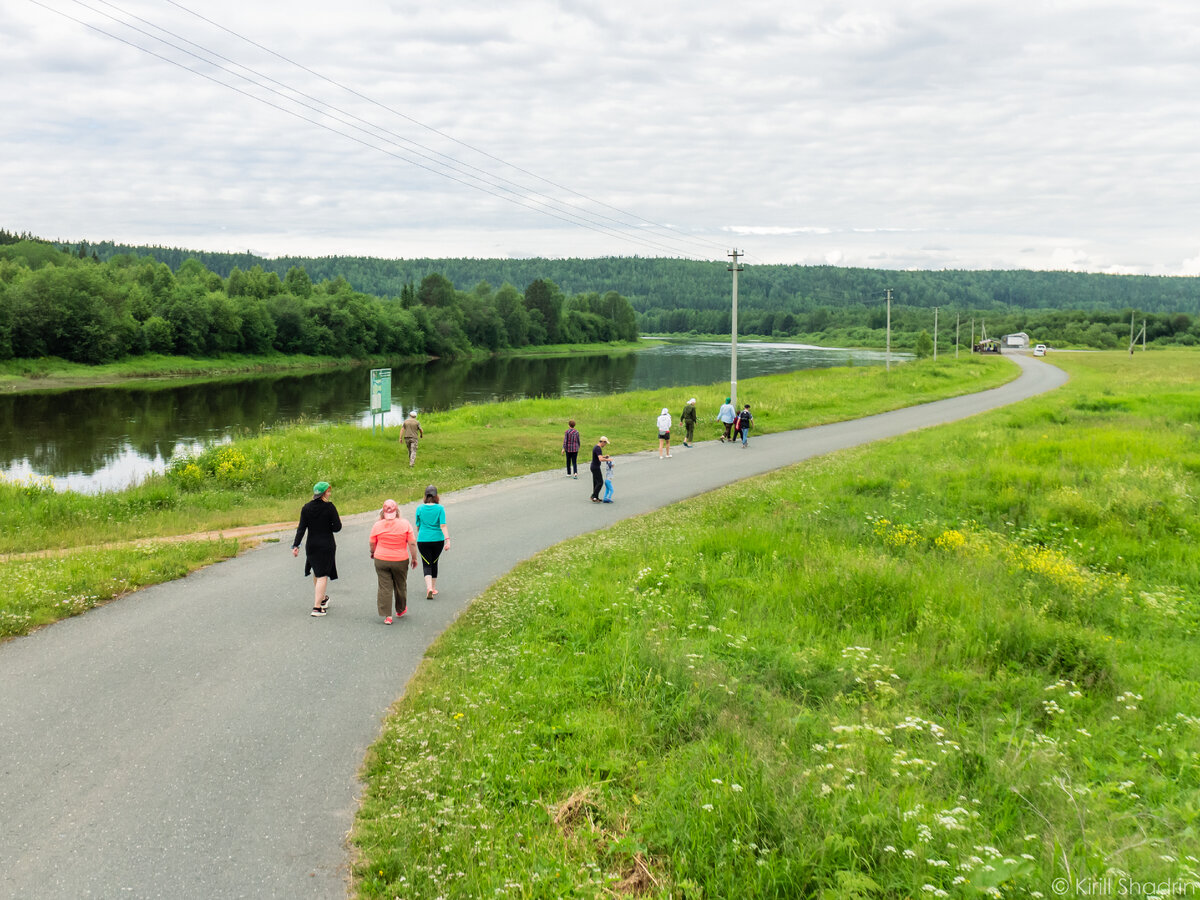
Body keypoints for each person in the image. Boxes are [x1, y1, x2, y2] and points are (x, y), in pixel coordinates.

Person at [292, 481, 341, 618]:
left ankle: (323, 598)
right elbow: (337, 527)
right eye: (328, 492)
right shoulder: (330, 508)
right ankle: (317, 607)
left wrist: (296, 545)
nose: (330, 494)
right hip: (326, 544)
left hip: (312, 545)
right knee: (322, 575)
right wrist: (327, 526)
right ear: (323, 494)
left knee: (317, 572)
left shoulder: (306, 508)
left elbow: (301, 528)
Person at [368, 499, 418, 624]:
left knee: (384, 586)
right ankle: (400, 609)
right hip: (400, 559)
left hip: (381, 559)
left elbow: (372, 542)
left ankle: (387, 616)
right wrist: (414, 558)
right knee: (400, 584)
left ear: (383, 512)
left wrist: (373, 552)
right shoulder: (405, 524)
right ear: (396, 511)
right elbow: (412, 543)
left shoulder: (377, 525)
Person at [414, 484, 450, 599]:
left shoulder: (419, 508)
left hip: (423, 540)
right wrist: (447, 540)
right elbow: (443, 525)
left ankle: (428, 587)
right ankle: (433, 589)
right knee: (434, 562)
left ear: (425, 496)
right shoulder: (440, 508)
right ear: (436, 496)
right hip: (437, 540)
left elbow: (418, 526)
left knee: (426, 563)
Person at [589, 436, 610, 502]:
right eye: (605, 443)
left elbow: (599, 456)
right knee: (600, 482)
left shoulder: (596, 447)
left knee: (596, 482)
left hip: (594, 466)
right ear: (603, 442)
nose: (605, 445)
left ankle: (596, 497)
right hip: (595, 467)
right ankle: (593, 496)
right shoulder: (598, 448)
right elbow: (600, 459)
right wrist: (608, 459)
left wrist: (605, 457)